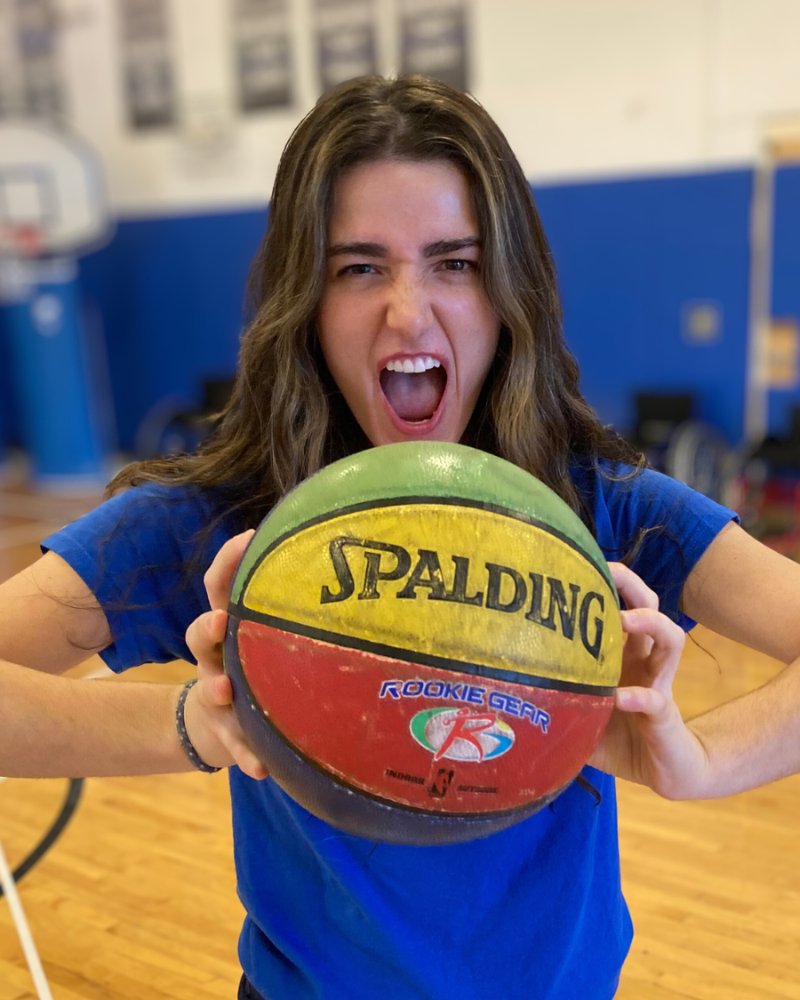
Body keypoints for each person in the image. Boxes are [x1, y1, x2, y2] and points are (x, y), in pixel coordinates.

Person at [1, 74, 799, 1000]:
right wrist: (199, 720)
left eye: (455, 263)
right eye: (359, 267)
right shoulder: (226, 518)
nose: (409, 314)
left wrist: (694, 764)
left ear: (509, 293)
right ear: (304, 299)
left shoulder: (604, 510)